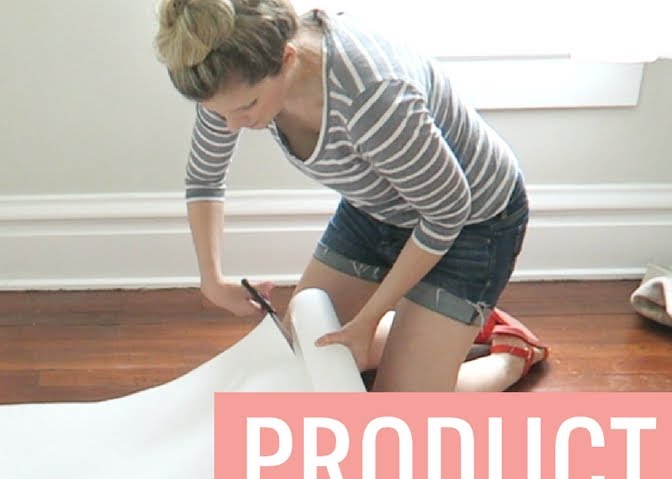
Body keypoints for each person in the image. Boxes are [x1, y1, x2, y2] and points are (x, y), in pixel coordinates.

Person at [154, 0, 550, 391]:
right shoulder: (230, 74)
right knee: (300, 365)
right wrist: (212, 280)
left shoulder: (372, 95)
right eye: (219, 112)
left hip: (473, 223)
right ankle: (438, 331)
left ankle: (510, 356)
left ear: (287, 59)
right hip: (377, 209)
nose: (231, 125)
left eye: (246, 108)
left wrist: (368, 320)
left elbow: (446, 212)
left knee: (395, 419)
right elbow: (205, 178)